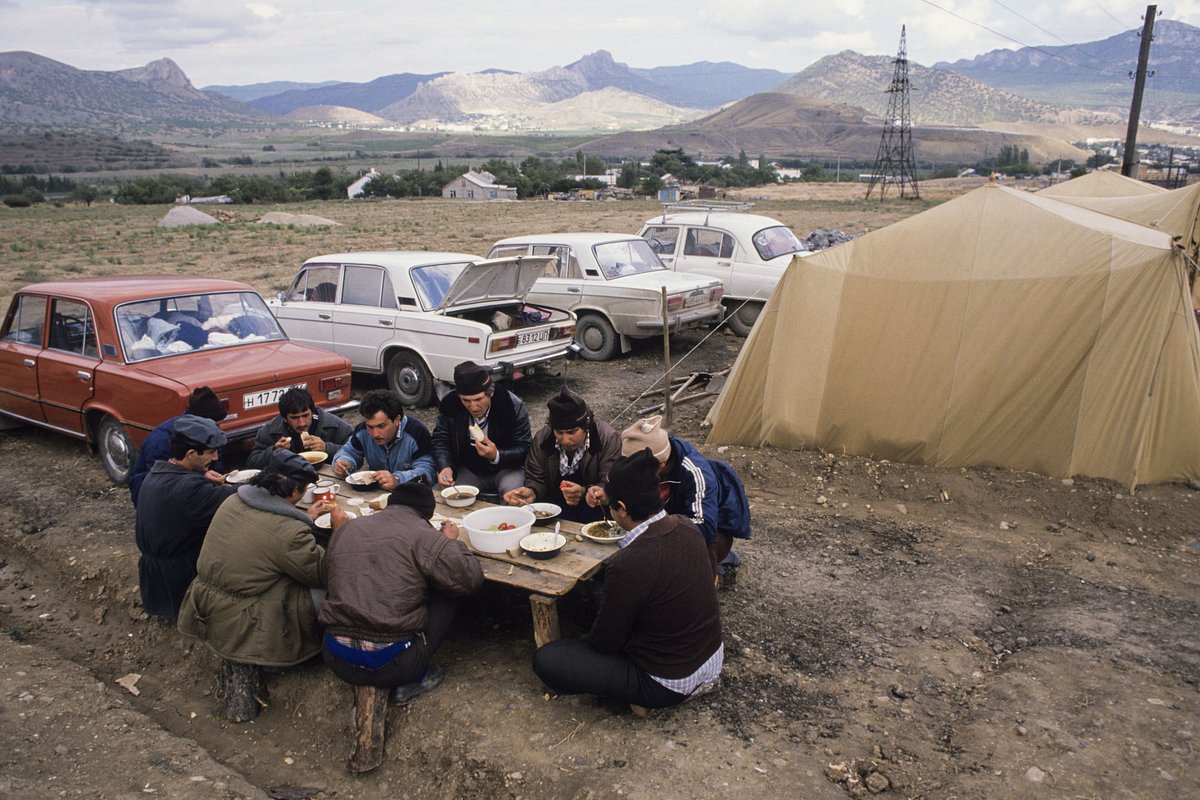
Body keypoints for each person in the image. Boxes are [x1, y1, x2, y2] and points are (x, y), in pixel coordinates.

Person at [532, 449, 723, 714]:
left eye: (610, 504)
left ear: (621, 508)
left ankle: (640, 698)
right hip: (710, 656)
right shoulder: (686, 525)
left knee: (549, 659)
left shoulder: (630, 562)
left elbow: (604, 643)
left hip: (668, 681)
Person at [177, 449, 344, 715]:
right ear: (293, 492)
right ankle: (308, 653)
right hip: (247, 619)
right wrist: (340, 533)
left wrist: (302, 519)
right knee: (330, 593)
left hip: (207, 605)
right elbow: (324, 572)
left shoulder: (232, 502)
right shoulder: (289, 532)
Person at [319, 483, 483, 706]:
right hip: (395, 664)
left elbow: (324, 575)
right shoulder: (426, 536)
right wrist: (450, 543)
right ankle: (414, 680)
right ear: (429, 514)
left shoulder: (348, 528)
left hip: (336, 658)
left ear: (390, 504)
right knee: (450, 587)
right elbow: (470, 579)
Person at [617, 414, 751, 582]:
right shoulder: (648, 462)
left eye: (636, 470)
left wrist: (658, 528)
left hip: (712, 532)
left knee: (699, 545)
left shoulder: (695, 472)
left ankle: (706, 586)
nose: (632, 475)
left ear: (661, 465)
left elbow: (705, 527)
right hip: (668, 521)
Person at [134, 415, 238, 619]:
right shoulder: (188, 489)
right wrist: (267, 482)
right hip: (179, 580)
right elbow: (235, 497)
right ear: (190, 454)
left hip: (157, 573)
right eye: (210, 452)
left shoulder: (159, 472)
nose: (216, 458)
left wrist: (199, 475)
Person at [503, 386, 621, 523]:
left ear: (586, 425)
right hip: (554, 506)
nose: (565, 440)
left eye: (572, 432)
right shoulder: (543, 438)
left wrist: (587, 492)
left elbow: (611, 482)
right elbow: (536, 477)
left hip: (594, 509)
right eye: (559, 432)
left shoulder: (607, 438)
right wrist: (532, 492)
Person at [432, 361, 531, 496]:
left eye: (478, 399)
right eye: (466, 400)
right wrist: (445, 466)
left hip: (507, 468)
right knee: (441, 496)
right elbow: (441, 439)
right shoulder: (450, 404)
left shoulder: (512, 406)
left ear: (490, 393)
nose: (473, 407)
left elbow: (524, 447)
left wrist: (496, 455)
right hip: (469, 469)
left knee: (515, 496)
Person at [128, 386, 226, 505]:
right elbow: (161, 478)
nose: (216, 426)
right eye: (213, 422)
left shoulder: (209, 434)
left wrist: (220, 478)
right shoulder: (161, 438)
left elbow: (215, 461)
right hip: (151, 494)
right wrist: (202, 475)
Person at [331, 389, 436, 489]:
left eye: (381, 426)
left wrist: (397, 479)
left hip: (411, 495)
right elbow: (348, 452)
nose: (375, 434)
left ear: (396, 420)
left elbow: (428, 472)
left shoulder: (417, 432)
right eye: (370, 427)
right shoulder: (362, 430)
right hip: (376, 493)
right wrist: (344, 462)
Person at [245, 386, 354, 469]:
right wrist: (275, 451)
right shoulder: (270, 431)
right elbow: (252, 463)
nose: (302, 423)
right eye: (294, 418)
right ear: (284, 418)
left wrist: (327, 448)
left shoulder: (332, 424)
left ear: (312, 411)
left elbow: (356, 450)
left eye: (306, 415)